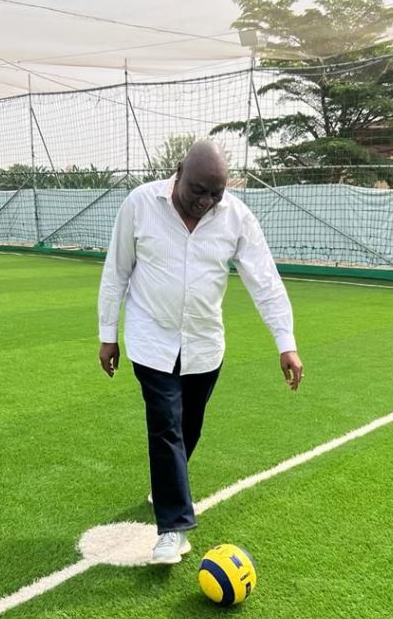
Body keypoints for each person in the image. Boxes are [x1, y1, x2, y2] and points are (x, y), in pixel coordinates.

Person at [98, 140, 303, 563]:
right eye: (198, 191)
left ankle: (164, 486)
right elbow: (116, 271)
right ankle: (174, 529)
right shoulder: (140, 204)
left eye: (216, 193)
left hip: (205, 345)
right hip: (151, 339)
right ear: (179, 172)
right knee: (165, 426)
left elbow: (265, 281)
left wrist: (286, 343)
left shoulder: (237, 217)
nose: (206, 202)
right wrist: (108, 334)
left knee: (188, 427)